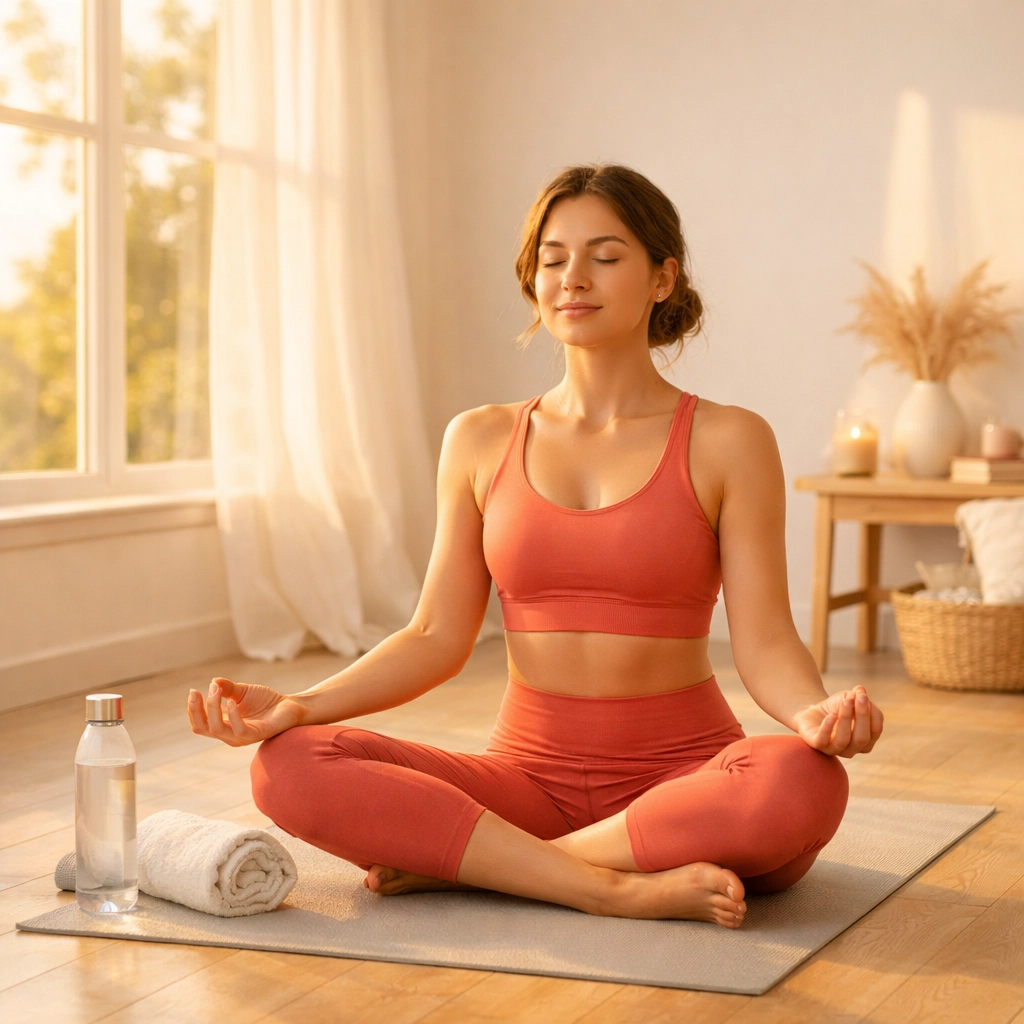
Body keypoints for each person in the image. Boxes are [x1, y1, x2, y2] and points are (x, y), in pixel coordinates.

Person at [188, 163, 883, 929]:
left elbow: (766, 639)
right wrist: (300, 704)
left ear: (663, 277)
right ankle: (606, 883)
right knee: (289, 765)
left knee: (800, 780)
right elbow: (433, 636)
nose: (572, 278)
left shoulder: (729, 439)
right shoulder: (481, 438)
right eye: (553, 259)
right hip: (524, 788)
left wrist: (814, 714)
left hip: (684, 787)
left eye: (606, 256)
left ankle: (491, 868)